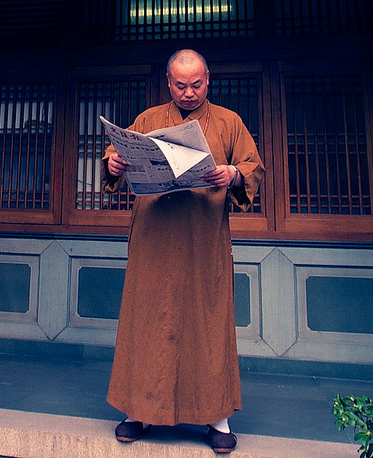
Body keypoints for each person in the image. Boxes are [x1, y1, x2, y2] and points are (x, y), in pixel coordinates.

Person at [102, 49, 265, 453]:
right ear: (168, 82)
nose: (188, 92)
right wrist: (115, 165)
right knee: (147, 319)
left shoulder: (229, 122)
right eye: (180, 84)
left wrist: (232, 173)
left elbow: (252, 168)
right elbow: (115, 156)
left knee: (206, 321)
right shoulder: (148, 120)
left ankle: (217, 417)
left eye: (196, 84)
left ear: (208, 79)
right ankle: (137, 411)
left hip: (203, 239)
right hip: (154, 237)